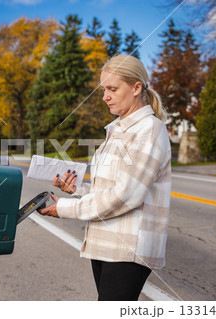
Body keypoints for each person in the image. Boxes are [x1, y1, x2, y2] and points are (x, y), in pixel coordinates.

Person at [38, 54, 171, 301]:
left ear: (136, 88)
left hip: (128, 247)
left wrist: (67, 208)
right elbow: (110, 188)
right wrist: (77, 189)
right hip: (104, 242)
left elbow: (128, 194)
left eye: (112, 88)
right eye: (103, 89)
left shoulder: (150, 129)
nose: (105, 96)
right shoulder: (116, 131)